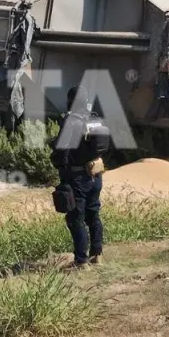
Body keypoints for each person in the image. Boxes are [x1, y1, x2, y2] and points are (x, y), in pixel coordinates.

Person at [50, 85, 108, 268]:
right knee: (93, 215)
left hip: (77, 178)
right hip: (95, 175)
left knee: (76, 218)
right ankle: (97, 255)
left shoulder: (71, 120)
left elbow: (61, 150)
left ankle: (81, 261)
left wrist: (59, 164)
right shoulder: (96, 118)